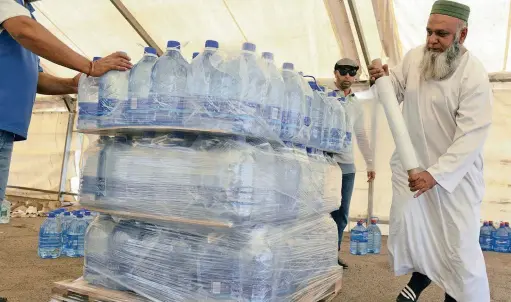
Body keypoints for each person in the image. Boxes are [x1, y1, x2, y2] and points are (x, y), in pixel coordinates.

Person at [368, 1, 491, 301]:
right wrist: (381, 79)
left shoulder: (473, 75)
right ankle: (421, 278)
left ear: (461, 36)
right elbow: (394, 88)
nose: (432, 40)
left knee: (459, 249)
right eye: (429, 32)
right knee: (416, 234)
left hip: (454, 181)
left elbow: (471, 137)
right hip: (412, 172)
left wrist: (435, 174)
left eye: (442, 34)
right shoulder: (414, 59)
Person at [0, 1, 132, 215]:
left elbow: (36, 78)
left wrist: (73, 84)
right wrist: (90, 66)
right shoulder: (15, 13)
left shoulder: (24, 13)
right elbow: (24, 30)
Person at [329, 58, 375, 269]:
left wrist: (370, 163)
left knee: (341, 213)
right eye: (343, 71)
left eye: (352, 72)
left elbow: (361, 134)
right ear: (336, 73)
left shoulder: (356, 104)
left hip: (347, 166)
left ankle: (332, 255)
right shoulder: (324, 97)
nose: (348, 76)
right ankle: (317, 253)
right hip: (326, 163)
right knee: (322, 211)